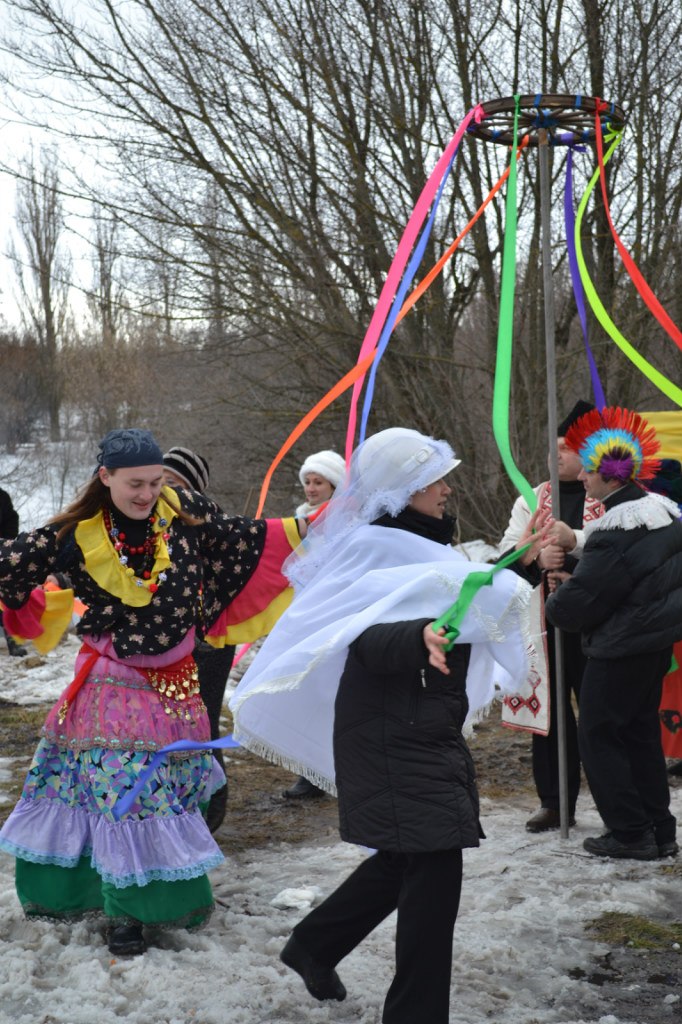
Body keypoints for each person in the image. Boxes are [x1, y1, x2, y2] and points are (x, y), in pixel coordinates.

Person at [230, 427, 547, 1024]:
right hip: (390, 728)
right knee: (434, 866)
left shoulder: (419, 544)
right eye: (435, 481)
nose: (448, 489)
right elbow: (358, 634)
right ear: (403, 491)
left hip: (415, 723)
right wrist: (415, 635)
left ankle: (315, 944)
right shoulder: (374, 548)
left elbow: (467, 601)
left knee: (412, 856)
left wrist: (521, 568)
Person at [0, 428, 303, 956]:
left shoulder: (183, 510)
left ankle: (164, 899)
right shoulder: (74, 535)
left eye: (155, 481)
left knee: (170, 793)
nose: (146, 493)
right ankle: (124, 916)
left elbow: (247, 538)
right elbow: (10, 567)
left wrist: (325, 526)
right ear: (106, 478)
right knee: (122, 794)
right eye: (134, 483)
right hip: (111, 685)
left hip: (180, 687)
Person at [545, 407, 682, 860]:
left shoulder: (614, 533)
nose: (582, 478)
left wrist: (558, 597)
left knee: (599, 735)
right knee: (639, 733)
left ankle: (628, 831)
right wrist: (579, 557)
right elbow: (631, 572)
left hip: (620, 648)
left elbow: (581, 602)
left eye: (588, 470)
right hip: (652, 644)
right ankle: (659, 830)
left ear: (609, 473)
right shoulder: (661, 512)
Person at [499, 400, 604, 832]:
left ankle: (615, 802)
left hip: (599, 625)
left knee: (600, 718)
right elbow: (504, 559)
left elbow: (623, 554)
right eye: (551, 446)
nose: (555, 453)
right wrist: (535, 556)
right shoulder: (531, 500)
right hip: (545, 624)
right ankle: (554, 801)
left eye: (564, 446)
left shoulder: (612, 495)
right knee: (550, 717)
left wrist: (572, 558)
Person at [162, 445, 233, 832]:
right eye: (161, 481)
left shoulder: (207, 519)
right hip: (169, 642)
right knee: (168, 725)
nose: (164, 491)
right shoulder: (149, 524)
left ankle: (211, 809)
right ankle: (177, 807)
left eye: (174, 483)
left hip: (209, 640)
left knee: (201, 721)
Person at [284, 447, 346, 799]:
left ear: (333, 485)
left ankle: (336, 771)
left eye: (318, 481)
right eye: (307, 481)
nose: (310, 487)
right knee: (306, 694)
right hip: (304, 616)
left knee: (333, 695)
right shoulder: (299, 520)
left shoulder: (346, 521)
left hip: (334, 616)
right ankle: (310, 774)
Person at [0, 484, 27, 656]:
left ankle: (13, 641)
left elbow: (12, 520)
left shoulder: (2, 497)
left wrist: (6, 545)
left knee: (5, 600)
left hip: (2, 554)